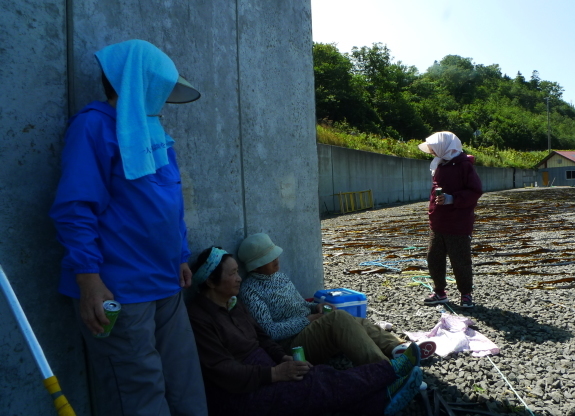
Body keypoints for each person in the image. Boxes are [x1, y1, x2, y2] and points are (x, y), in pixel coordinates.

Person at [49, 39, 206, 415]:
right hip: (118, 289)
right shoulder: (93, 126)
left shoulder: (157, 134)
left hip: (166, 283)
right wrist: (88, 278)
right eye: (161, 83)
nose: (166, 94)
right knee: (138, 397)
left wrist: (182, 255)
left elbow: (171, 203)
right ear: (140, 82)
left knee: (186, 390)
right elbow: (76, 205)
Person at [187, 247, 423, 416]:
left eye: (238, 272)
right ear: (210, 282)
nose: (238, 278)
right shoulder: (208, 314)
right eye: (232, 274)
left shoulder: (235, 301)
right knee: (319, 382)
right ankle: (389, 374)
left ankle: (393, 355)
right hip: (249, 387)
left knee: (329, 358)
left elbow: (262, 337)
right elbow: (225, 370)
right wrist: (276, 372)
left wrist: (284, 356)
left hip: (271, 362)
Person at [237, 233, 436, 365]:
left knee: (350, 319)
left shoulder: (279, 276)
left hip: (308, 327)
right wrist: (307, 321)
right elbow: (269, 332)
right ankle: (384, 369)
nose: (276, 260)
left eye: (274, 255)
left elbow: (300, 305)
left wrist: (316, 307)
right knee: (338, 319)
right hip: (292, 344)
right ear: (255, 266)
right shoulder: (250, 291)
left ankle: (397, 349)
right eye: (269, 258)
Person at [417, 131, 483, 308]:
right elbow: (434, 194)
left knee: (460, 260)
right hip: (438, 222)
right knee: (434, 258)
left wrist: (452, 198)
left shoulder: (464, 165)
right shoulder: (439, 163)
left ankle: (466, 294)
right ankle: (440, 292)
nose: (431, 152)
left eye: (433, 148)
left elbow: (475, 191)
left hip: (458, 223)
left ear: (445, 146)